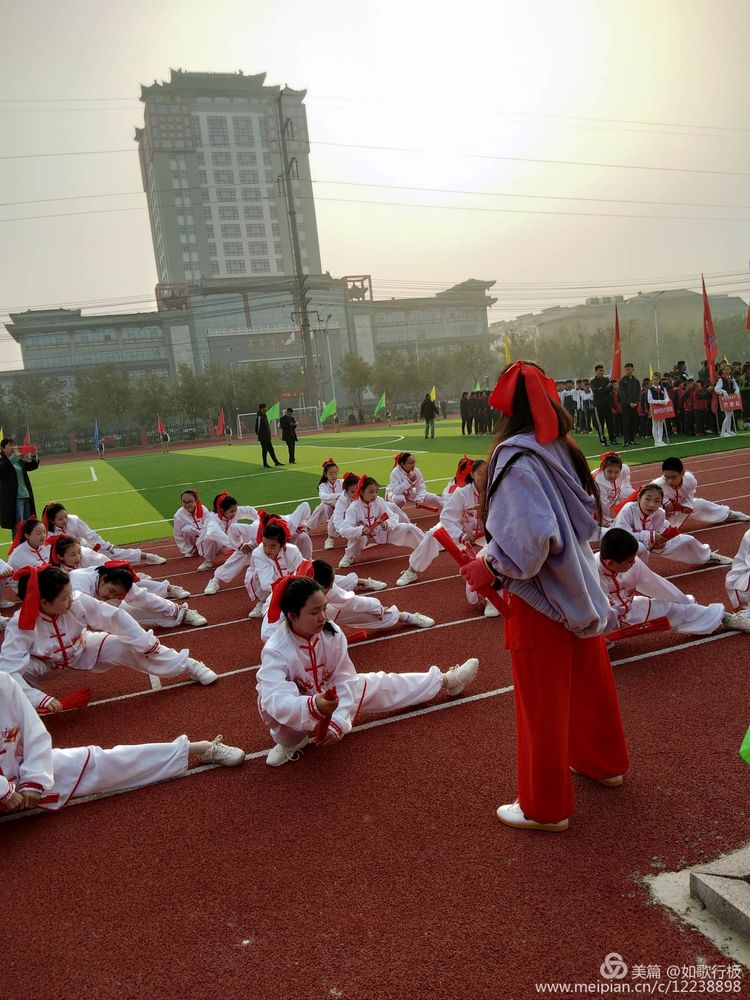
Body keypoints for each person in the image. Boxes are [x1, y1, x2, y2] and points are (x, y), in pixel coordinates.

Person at [459, 360, 629, 833]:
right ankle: (603, 763)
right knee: (590, 678)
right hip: (578, 578)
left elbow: (529, 542)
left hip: (539, 595)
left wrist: (490, 565)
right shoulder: (561, 446)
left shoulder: (514, 458)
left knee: (540, 702)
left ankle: (544, 806)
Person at [256, 576, 479, 766]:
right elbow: (276, 699)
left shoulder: (331, 632)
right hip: (294, 711)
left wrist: (338, 721)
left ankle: (446, 680)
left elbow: (344, 678)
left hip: (328, 695)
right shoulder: (276, 649)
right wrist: (313, 706)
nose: (323, 616)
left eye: (324, 608)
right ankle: (289, 743)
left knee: (380, 683)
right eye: (315, 612)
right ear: (293, 616)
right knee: (284, 728)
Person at [0, 671, 245, 815]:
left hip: (21, 771)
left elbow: (34, 732)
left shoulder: (3, 682)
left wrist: (33, 780)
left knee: (99, 760)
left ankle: (194, 748)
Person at [1, 566, 217, 711]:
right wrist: (39, 700)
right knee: (16, 675)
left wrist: (145, 643)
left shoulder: (78, 602)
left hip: (82, 647)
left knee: (130, 646)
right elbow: (8, 669)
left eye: (70, 593)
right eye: (64, 597)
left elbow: (115, 617)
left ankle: (188, 664)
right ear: (44, 602)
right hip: (45, 664)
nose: (71, 599)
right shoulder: (20, 626)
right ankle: (29, 713)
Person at [598, 528, 750, 637]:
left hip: (629, 610)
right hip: (598, 622)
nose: (633, 564)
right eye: (629, 562)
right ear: (611, 563)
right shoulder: (588, 573)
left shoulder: (633, 563)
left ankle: (724, 618)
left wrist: (683, 601)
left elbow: (654, 584)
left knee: (674, 609)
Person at [396, 460, 498, 617]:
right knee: (432, 535)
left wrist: (486, 510)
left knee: (487, 557)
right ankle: (412, 570)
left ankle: (491, 599)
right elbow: (446, 517)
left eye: (486, 473)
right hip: (462, 533)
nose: (483, 477)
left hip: (486, 535)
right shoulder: (461, 493)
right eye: (479, 473)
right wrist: (461, 535)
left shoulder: (495, 492)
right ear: (472, 474)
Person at [613, 483, 731, 566]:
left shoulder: (659, 513)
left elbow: (659, 532)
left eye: (657, 501)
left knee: (688, 540)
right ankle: (630, 575)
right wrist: (650, 536)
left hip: (648, 541)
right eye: (647, 499)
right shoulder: (629, 509)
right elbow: (621, 534)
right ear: (639, 498)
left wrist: (661, 542)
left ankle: (707, 556)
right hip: (621, 543)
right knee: (640, 549)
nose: (651, 504)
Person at [69, 562, 207, 629]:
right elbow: (78, 612)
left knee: (129, 613)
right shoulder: (79, 582)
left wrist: (173, 609)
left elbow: (145, 599)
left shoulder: (116, 583)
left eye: (117, 594)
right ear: (103, 579)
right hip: (66, 616)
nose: (112, 596)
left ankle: (182, 613)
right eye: (111, 591)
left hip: (95, 610)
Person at [339, 475, 424, 569]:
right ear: (362, 492)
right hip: (363, 538)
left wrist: (386, 524)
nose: (374, 495)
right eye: (371, 492)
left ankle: (425, 545)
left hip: (381, 532)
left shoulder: (379, 501)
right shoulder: (353, 508)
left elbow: (393, 516)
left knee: (409, 528)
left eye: (376, 491)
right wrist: (361, 530)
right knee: (356, 537)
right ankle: (349, 556)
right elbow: (344, 529)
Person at [42, 502, 166, 565]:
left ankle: (148, 556)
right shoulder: (48, 533)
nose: (64, 520)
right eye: (60, 519)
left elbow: (89, 534)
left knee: (114, 553)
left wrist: (105, 545)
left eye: (65, 516)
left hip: (85, 547)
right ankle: (132, 573)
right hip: (70, 557)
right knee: (99, 565)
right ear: (52, 520)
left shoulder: (73, 520)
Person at [654, 457, 750, 525]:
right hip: (659, 518)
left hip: (676, 509)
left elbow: (689, 495)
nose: (670, 481)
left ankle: (727, 514)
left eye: (673, 477)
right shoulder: (657, 485)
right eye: (666, 477)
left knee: (698, 503)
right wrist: (679, 508)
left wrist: (687, 505)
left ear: (682, 473)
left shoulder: (689, 480)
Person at [245, 519, 306, 618]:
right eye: (264, 544)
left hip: (287, 584)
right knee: (256, 576)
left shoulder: (292, 550)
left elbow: (303, 570)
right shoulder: (258, 553)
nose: (267, 550)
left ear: (282, 544)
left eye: (272, 546)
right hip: (263, 584)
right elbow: (266, 584)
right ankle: (263, 600)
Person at [0, 437, 40, 538]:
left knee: (28, 526)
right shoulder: (3, 461)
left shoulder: (18, 461)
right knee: (17, 527)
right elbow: (3, 469)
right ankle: (16, 551)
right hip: (15, 499)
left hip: (25, 496)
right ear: (3, 449)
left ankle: (27, 549)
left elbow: (32, 466)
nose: (13, 447)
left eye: (14, 445)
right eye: (10, 445)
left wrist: (34, 455)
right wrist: (14, 457)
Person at [307, 460, 342, 548]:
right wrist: (339, 496)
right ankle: (307, 528)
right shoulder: (323, 485)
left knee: (340, 510)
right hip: (330, 510)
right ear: (326, 474)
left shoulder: (342, 482)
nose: (334, 476)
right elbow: (323, 497)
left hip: (342, 510)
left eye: (335, 473)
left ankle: (331, 537)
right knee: (322, 507)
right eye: (330, 473)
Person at [593, 452, 632, 528]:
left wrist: (626, 486)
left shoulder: (624, 469)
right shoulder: (600, 482)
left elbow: (627, 473)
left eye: (616, 472)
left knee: (633, 493)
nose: (613, 475)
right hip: (590, 497)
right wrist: (607, 523)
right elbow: (603, 504)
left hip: (613, 493)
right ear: (603, 469)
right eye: (609, 471)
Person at [173, 490, 210, 558]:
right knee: (186, 529)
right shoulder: (178, 515)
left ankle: (206, 547)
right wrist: (186, 550)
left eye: (190, 502)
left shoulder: (203, 509)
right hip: (193, 540)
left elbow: (209, 527)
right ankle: (192, 550)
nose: (187, 505)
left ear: (196, 501)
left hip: (205, 538)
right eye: (184, 502)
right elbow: (177, 535)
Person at [590, 365, 617, 446]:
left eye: (602, 370)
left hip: (607, 405)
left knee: (610, 423)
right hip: (598, 406)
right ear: (596, 372)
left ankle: (612, 439)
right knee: (600, 424)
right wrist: (605, 388)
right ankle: (603, 440)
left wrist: (604, 388)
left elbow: (610, 389)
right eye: (600, 371)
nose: (601, 372)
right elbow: (596, 392)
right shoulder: (593, 382)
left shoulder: (606, 379)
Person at [618, 363, 640, 446]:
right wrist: (629, 403)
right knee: (626, 423)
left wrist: (636, 402)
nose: (628, 371)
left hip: (635, 405)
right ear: (625, 370)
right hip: (626, 406)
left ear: (633, 370)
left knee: (633, 422)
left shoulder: (636, 381)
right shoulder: (622, 381)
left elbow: (638, 393)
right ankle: (626, 441)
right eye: (626, 369)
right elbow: (622, 394)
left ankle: (632, 439)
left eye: (630, 369)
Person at [714, 363, 739, 438]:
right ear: (722, 371)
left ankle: (728, 430)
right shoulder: (721, 379)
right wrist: (723, 392)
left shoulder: (731, 378)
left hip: (731, 398)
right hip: (725, 399)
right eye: (725, 370)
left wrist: (737, 390)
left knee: (730, 414)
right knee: (727, 415)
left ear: (730, 370)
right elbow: (716, 389)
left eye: (728, 369)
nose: (726, 371)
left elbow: (735, 386)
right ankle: (722, 432)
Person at [255, 404, 283, 468]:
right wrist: (260, 434)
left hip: (267, 436)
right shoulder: (259, 417)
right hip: (263, 437)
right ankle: (265, 464)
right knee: (264, 450)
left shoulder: (265, 416)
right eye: (265, 407)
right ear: (262, 408)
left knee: (271, 449)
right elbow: (257, 428)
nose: (266, 408)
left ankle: (276, 462)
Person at [647, 374, 669, 447]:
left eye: (656, 379)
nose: (655, 381)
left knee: (661, 424)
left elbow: (667, 397)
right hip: (654, 408)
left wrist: (665, 401)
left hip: (662, 409)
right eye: (654, 379)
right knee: (655, 424)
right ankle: (656, 441)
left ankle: (660, 440)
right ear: (652, 381)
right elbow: (650, 400)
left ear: (659, 380)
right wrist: (659, 401)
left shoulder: (663, 388)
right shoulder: (650, 390)